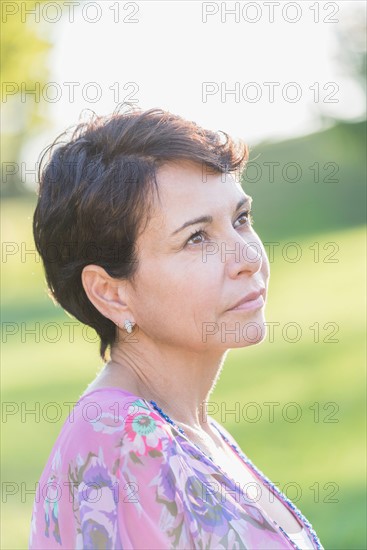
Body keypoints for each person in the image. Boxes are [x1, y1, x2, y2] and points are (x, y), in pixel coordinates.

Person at [29, 104, 324, 549]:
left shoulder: (181, 429)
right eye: (197, 238)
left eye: (240, 219)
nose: (247, 258)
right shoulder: (126, 445)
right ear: (111, 292)